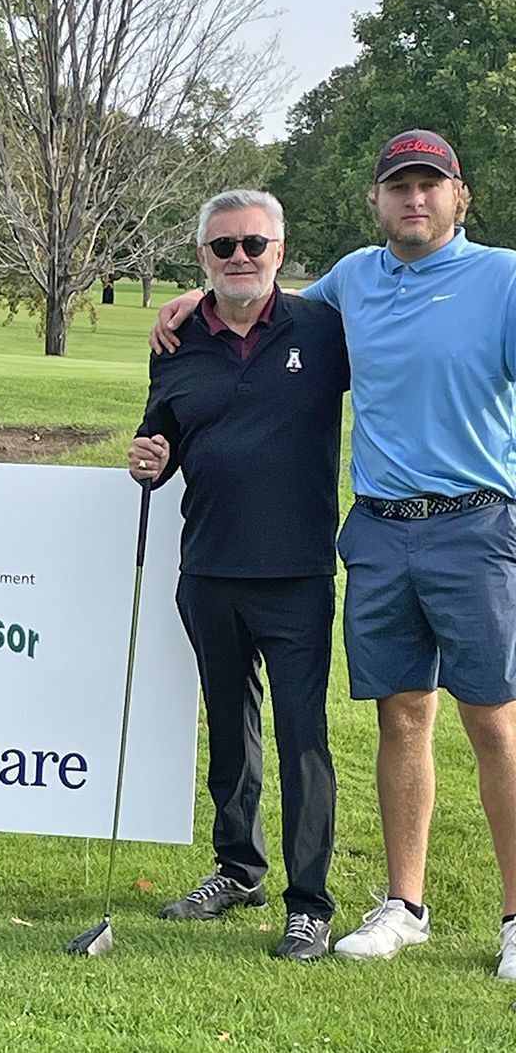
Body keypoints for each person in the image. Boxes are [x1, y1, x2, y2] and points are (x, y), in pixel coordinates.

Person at [151, 131, 516, 979]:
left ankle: (513, 916)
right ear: (377, 201)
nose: (413, 200)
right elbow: (256, 301)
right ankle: (404, 903)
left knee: (494, 722)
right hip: (381, 530)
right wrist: (185, 302)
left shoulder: (501, 276)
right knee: (402, 715)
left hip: (476, 523)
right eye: (398, 187)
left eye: (430, 185)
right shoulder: (354, 280)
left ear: (460, 195)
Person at [130, 189, 348, 960]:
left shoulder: (324, 329)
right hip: (210, 567)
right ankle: (238, 867)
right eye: (223, 247)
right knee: (230, 724)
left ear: (280, 251)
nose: (240, 258)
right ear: (202, 257)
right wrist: (148, 462)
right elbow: (159, 439)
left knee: (302, 736)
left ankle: (310, 901)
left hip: (295, 572)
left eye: (255, 243)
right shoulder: (177, 341)